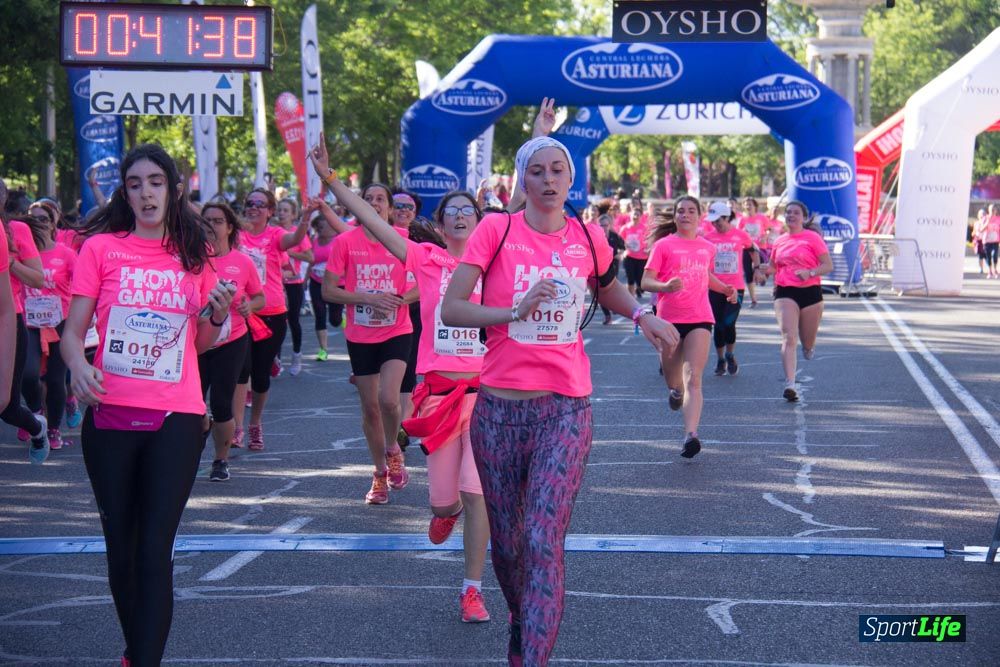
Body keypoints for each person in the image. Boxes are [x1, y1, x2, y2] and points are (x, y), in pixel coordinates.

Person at [440, 136, 679, 666]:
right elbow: (453, 309)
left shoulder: (589, 237)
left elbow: (608, 287)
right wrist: (513, 312)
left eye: (558, 172)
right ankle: (523, 616)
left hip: (565, 410)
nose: (549, 181)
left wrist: (643, 315)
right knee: (508, 548)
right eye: (538, 172)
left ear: (570, 181)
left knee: (542, 537)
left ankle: (532, 656)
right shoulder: (496, 230)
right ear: (522, 182)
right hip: (498, 413)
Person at [60, 144, 234, 667]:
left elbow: (200, 343)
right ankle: (136, 650)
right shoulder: (101, 250)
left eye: (155, 182)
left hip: (176, 417)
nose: (145, 193)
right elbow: (72, 333)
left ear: (173, 189)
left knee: (155, 549)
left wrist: (219, 315)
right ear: (125, 193)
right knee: (122, 547)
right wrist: (78, 366)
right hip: (110, 413)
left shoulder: (193, 255)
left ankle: (144, 660)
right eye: (134, 184)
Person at [313, 138, 494, 621]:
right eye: (452, 211)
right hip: (438, 398)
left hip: (486, 394)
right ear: (439, 223)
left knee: (479, 492)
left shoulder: (495, 262)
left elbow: (523, 210)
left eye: (468, 211)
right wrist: (332, 181)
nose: (460, 216)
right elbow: (372, 221)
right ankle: (446, 512)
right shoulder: (427, 261)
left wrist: (539, 135)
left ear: (481, 223)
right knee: (442, 504)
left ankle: (472, 590)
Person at [319, 172, 415, 504]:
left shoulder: (404, 240)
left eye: (379, 200)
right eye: (368, 198)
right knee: (370, 409)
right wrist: (366, 298)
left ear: (388, 210)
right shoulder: (345, 243)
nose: (373, 203)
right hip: (360, 334)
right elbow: (329, 290)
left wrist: (401, 299)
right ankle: (379, 475)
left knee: (390, 399)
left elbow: (426, 283)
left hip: (396, 330)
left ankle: (393, 450)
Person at [642, 196, 738, 458]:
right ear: (675, 217)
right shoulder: (663, 246)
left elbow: (704, 275)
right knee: (675, 383)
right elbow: (646, 281)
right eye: (681, 211)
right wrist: (664, 287)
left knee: (694, 378)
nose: (685, 215)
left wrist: (725, 288)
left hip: (700, 317)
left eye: (691, 211)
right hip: (669, 320)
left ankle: (691, 436)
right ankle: (674, 392)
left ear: (699, 216)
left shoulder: (707, 247)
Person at [237, 188, 309, 450]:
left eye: (260, 204)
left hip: (272, 313)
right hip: (240, 312)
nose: (254, 207)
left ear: (270, 211)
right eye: (250, 203)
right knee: (239, 371)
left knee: (259, 374)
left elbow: (295, 239)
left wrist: (305, 218)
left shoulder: (275, 235)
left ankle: (255, 424)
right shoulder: (237, 235)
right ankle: (237, 427)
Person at [199, 202, 264, 481]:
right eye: (207, 221)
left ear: (229, 227)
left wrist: (251, 307)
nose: (212, 226)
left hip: (232, 341)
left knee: (223, 404)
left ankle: (220, 460)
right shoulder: (191, 259)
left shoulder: (243, 261)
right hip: (197, 341)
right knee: (192, 404)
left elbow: (259, 296)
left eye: (217, 221)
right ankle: (190, 449)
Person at [754, 201, 833, 401]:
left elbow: (827, 265)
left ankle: (808, 347)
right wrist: (765, 270)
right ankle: (790, 384)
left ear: (803, 218)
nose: (791, 216)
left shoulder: (812, 238)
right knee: (789, 337)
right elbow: (773, 266)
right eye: (788, 212)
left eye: (796, 213)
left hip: (810, 292)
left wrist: (810, 272)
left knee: (807, 343)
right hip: (784, 290)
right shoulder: (780, 240)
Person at [20, 202, 77, 450]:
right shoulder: (20, 254)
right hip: (30, 323)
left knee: (56, 380)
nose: (39, 223)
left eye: (44, 219)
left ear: (54, 223)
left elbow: (83, 288)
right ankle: (35, 411)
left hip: (60, 322)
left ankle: (54, 429)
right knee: (28, 375)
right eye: (34, 219)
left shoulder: (66, 254)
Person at [1, 184, 49, 462]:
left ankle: (37, 426)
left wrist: (11, 263)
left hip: (10, 319)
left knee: (6, 408)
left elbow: (38, 279)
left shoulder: (17, 231)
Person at [702, 202, 757, 376]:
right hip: (714, 286)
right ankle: (720, 359)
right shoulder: (708, 237)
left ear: (727, 218)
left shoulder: (740, 235)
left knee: (729, 323)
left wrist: (756, 268)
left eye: (718, 220)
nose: (715, 224)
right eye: (713, 221)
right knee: (717, 325)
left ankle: (730, 354)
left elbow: (752, 249)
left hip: (735, 288)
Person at [304, 198, 350, 360]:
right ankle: (323, 349)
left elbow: (348, 263)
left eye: (325, 226)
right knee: (320, 314)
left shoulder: (340, 241)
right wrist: (305, 280)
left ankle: (340, 318)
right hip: (317, 282)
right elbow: (311, 261)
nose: (322, 230)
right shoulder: (314, 242)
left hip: (337, 285)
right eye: (320, 227)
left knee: (335, 320)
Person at [275, 197, 313, 376]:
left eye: (285, 210)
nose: (281, 213)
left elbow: (310, 257)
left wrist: (289, 251)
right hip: (276, 284)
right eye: (279, 210)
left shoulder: (298, 234)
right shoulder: (274, 232)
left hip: (293, 284)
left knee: (293, 320)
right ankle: (276, 359)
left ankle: (297, 355)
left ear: (293, 215)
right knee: (277, 322)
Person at [620, 204, 649, 298]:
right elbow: (619, 241)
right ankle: (631, 299)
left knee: (640, 280)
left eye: (637, 214)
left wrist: (648, 249)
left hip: (642, 257)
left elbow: (650, 241)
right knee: (630, 279)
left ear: (641, 217)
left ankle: (639, 288)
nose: (635, 216)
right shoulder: (625, 228)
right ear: (630, 215)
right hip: (629, 256)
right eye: (634, 214)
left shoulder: (645, 228)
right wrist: (623, 250)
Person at [983, 203, 1000, 279]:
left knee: (995, 255)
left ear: (996, 210)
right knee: (988, 256)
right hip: (987, 241)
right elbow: (980, 229)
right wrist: (987, 222)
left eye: (994, 209)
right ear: (989, 210)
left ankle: (995, 270)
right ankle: (990, 271)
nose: (993, 211)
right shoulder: (985, 218)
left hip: (995, 240)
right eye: (991, 209)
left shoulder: (999, 218)